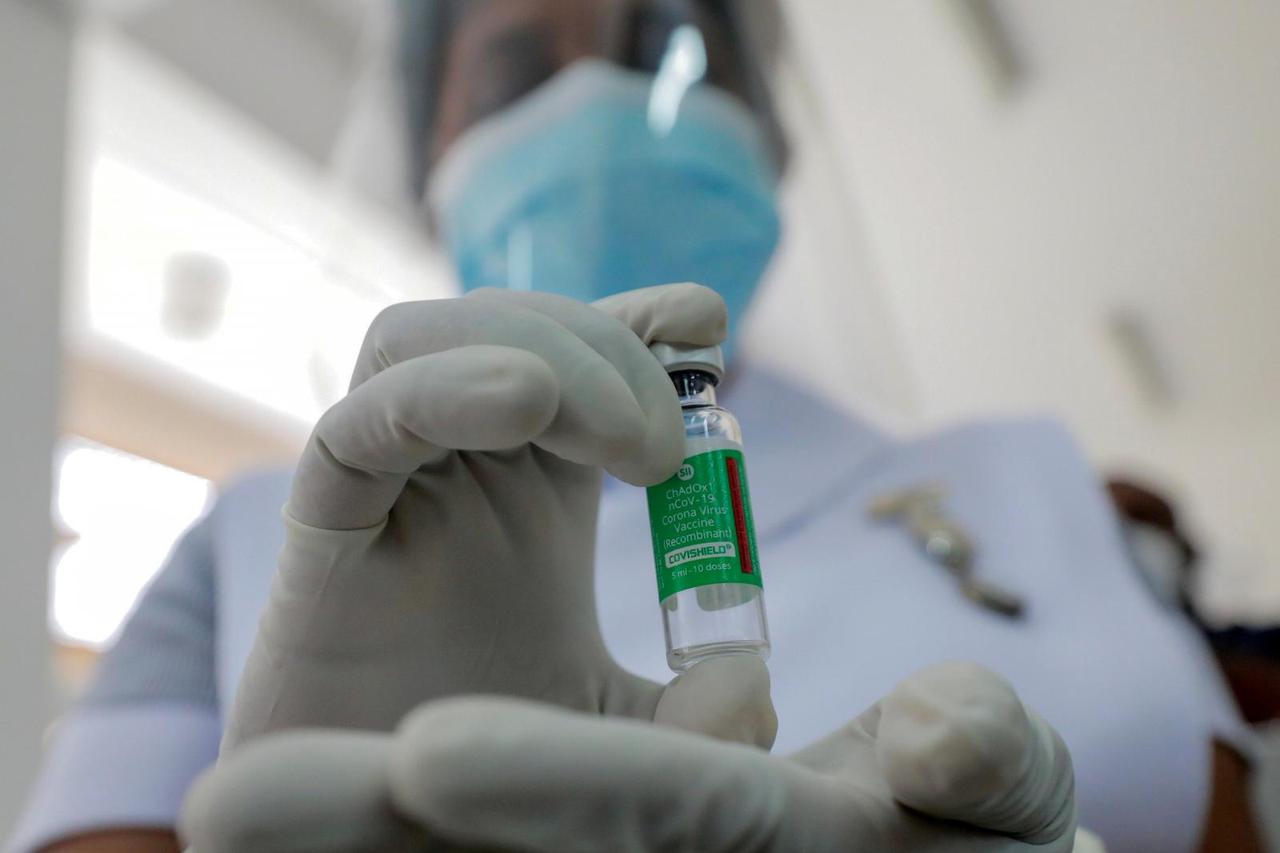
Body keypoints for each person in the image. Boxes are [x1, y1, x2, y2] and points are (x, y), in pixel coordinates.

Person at [7, 2, 1258, 851]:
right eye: (514, 72)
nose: (597, 107)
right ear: (428, 145)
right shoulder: (251, 537)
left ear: (768, 135)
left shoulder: (1023, 475)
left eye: (669, 48)